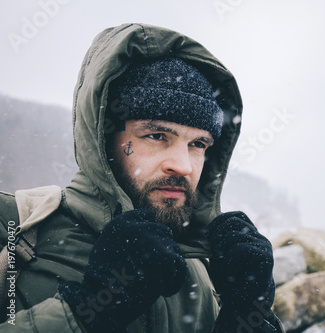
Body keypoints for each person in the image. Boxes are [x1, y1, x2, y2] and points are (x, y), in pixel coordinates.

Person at [0, 23, 284, 332]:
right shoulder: (14, 229)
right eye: (156, 135)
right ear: (103, 138)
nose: (183, 166)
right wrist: (86, 312)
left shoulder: (204, 269)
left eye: (198, 144)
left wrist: (248, 318)